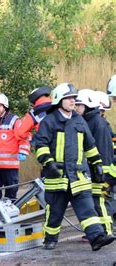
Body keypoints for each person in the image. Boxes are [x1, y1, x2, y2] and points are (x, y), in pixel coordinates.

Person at [34, 83, 114, 251]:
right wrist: (48, 163)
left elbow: (90, 145)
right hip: (58, 177)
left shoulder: (79, 120)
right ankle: (50, 238)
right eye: (69, 98)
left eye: (74, 98)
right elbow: (40, 145)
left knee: (87, 209)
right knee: (55, 212)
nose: (73, 101)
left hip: (79, 176)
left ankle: (96, 238)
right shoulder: (49, 121)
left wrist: (97, 164)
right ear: (58, 100)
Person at [75, 89, 115, 236]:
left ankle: (106, 230)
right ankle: (99, 230)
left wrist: (100, 171)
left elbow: (100, 148)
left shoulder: (96, 122)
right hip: (94, 168)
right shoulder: (92, 121)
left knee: (100, 200)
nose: (76, 108)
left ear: (87, 106)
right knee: (94, 200)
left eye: (79, 105)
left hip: (99, 169)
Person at [0, 93, 30, 200]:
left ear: (5, 107)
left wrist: (23, 151)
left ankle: (11, 214)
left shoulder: (14, 121)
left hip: (9, 165)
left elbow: (24, 137)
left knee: (11, 192)